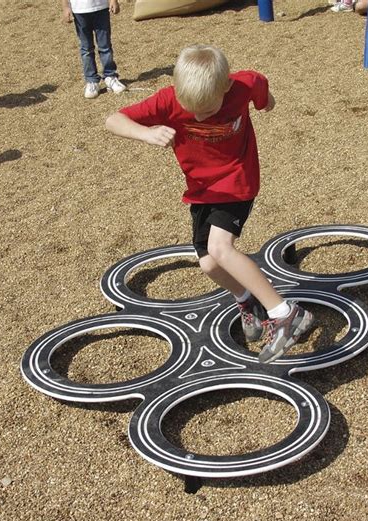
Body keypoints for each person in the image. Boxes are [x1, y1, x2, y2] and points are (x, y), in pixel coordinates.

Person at [105, 44, 314, 363]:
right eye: (193, 109)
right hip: (201, 188)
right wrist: (145, 133)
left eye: (208, 108)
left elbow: (261, 88)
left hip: (237, 179)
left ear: (226, 86)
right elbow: (113, 120)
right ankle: (247, 301)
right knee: (208, 263)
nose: (200, 115)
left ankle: (286, 314)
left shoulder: (242, 85)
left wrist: (266, 102)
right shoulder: (167, 99)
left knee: (220, 248)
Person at [61, 0, 126, 99]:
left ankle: (110, 77)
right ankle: (92, 81)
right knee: (86, 49)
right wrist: (66, 7)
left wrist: (113, 1)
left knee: (105, 46)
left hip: (101, 8)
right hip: (79, 11)